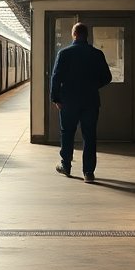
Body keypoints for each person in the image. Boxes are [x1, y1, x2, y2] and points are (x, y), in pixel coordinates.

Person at [50, 22, 112, 183]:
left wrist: (56, 98)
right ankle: (88, 172)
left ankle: (66, 165)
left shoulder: (64, 53)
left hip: (68, 101)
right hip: (90, 101)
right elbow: (107, 77)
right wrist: (93, 86)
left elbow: (56, 78)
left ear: (74, 34)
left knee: (67, 133)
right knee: (89, 136)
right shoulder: (97, 54)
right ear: (87, 35)